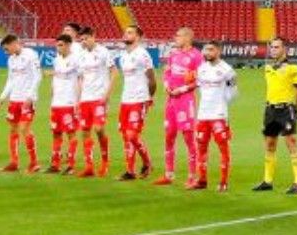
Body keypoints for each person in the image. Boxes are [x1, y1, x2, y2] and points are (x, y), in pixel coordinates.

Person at [255, 36, 297, 193]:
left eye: (277, 47)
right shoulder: (268, 68)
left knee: (291, 142)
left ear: (285, 49)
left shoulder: (293, 69)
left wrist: (295, 109)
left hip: (286, 109)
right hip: (270, 110)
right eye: (272, 47)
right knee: (270, 144)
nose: (273, 50)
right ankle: (267, 181)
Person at [156, 27, 204, 187]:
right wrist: (166, 85)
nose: (175, 38)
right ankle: (168, 174)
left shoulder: (197, 56)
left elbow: (199, 80)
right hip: (171, 100)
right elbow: (167, 72)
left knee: (189, 138)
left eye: (178, 35)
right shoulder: (173, 54)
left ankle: (192, 176)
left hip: (185, 100)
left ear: (188, 37)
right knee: (169, 135)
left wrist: (182, 89)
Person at [191, 41, 237, 190]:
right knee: (201, 148)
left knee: (223, 148)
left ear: (218, 51)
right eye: (206, 50)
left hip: (219, 114)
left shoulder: (227, 70)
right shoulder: (201, 69)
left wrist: (224, 102)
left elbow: (233, 92)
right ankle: (202, 180)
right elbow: (199, 87)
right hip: (203, 115)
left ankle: (223, 182)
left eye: (211, 50)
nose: (207, 53)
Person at [116, 26, 159, 181]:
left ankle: (147, 163)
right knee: (125, 137)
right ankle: (130, 171)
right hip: (125, 100)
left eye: (130, 32)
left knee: (132, 134)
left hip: (139, 99)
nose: (126, 34)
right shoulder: (123, 56)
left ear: (138, 37)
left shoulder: (143, 54)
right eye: (125, 32)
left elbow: (152, 79)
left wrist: (148, 98)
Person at [74, 27, 116, 177]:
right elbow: (80, 78)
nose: (83, 42)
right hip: (85, 98)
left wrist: (107, 95)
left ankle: (105, 161)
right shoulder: (81, 56)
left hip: (99, 97)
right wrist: (78, 100)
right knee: (84, 132)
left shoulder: (104, 52)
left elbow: (114, 72)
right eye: (81, 40)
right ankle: (89, 166)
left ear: (93, 36)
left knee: (98, 129)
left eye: (86, 38)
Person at [0, 33, 43, 173]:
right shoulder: (11, 59)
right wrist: (2, 97)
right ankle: (14, 162)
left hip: (26, 100)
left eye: (7, 49)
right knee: (13, 129)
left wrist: (30, 96)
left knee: (24, 129)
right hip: (14, 100)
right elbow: (11, 80)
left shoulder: (31, 55)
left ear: (14, 43)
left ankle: (34, 163)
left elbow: (37, 76)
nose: (6, 52)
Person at [47, 31, 82, 173]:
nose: (58, 48)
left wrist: (78, 101)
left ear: (68, 45)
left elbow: (81, 80)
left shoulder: (76, 60)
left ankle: (71, 165)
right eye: (57, 45)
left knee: (71, 133)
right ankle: (55, 164)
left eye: (60, 45)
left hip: (69, 102)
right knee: (56, 132)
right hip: (57, 103)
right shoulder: (57, 60)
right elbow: (56, 78)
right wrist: (52, 91)